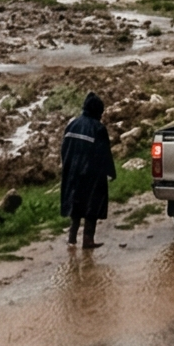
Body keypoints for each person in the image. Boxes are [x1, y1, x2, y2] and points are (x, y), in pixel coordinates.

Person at [59, 92, 113, 248]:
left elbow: (64, 149)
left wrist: (67, 166)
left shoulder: (72, 125)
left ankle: (71, 239)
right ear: (97, 111)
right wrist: (110, 172)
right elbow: (104, 153)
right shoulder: (98, 128)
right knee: (92, 206)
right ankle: (88, 240)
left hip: (72, 172)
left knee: (76, 205)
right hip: (91, 174)